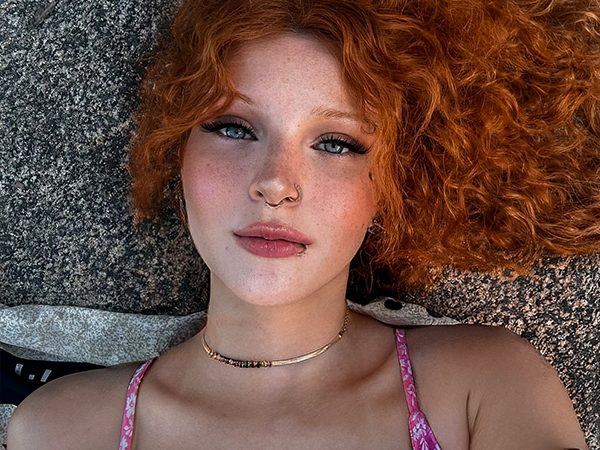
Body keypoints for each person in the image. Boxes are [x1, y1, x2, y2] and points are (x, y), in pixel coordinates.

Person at [7, 0, 599, 448]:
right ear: (176, 153)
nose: (275, 183)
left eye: (337, 143)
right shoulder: (62, 428)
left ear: (395, 184)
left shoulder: (483, 388)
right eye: (234, 128)